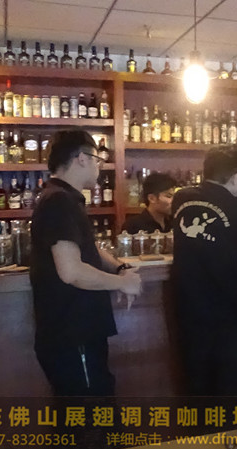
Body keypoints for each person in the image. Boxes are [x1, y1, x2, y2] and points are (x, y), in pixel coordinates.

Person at [30, 129, 142, 396]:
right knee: (90, 410)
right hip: (72, 335)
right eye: (97, 160)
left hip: (75, 333)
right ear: (82, 158)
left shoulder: (63, 197)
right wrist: (121, 283)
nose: (98, 167)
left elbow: (88, 248)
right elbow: (71, 271)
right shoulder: (59, 201)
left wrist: (119, 268)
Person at [171, 144, 237, 397]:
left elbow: (207, 245)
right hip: (230, 309)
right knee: (230, 387)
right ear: (236, 177)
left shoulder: (181, 197)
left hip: (189, 306)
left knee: (196, 383)